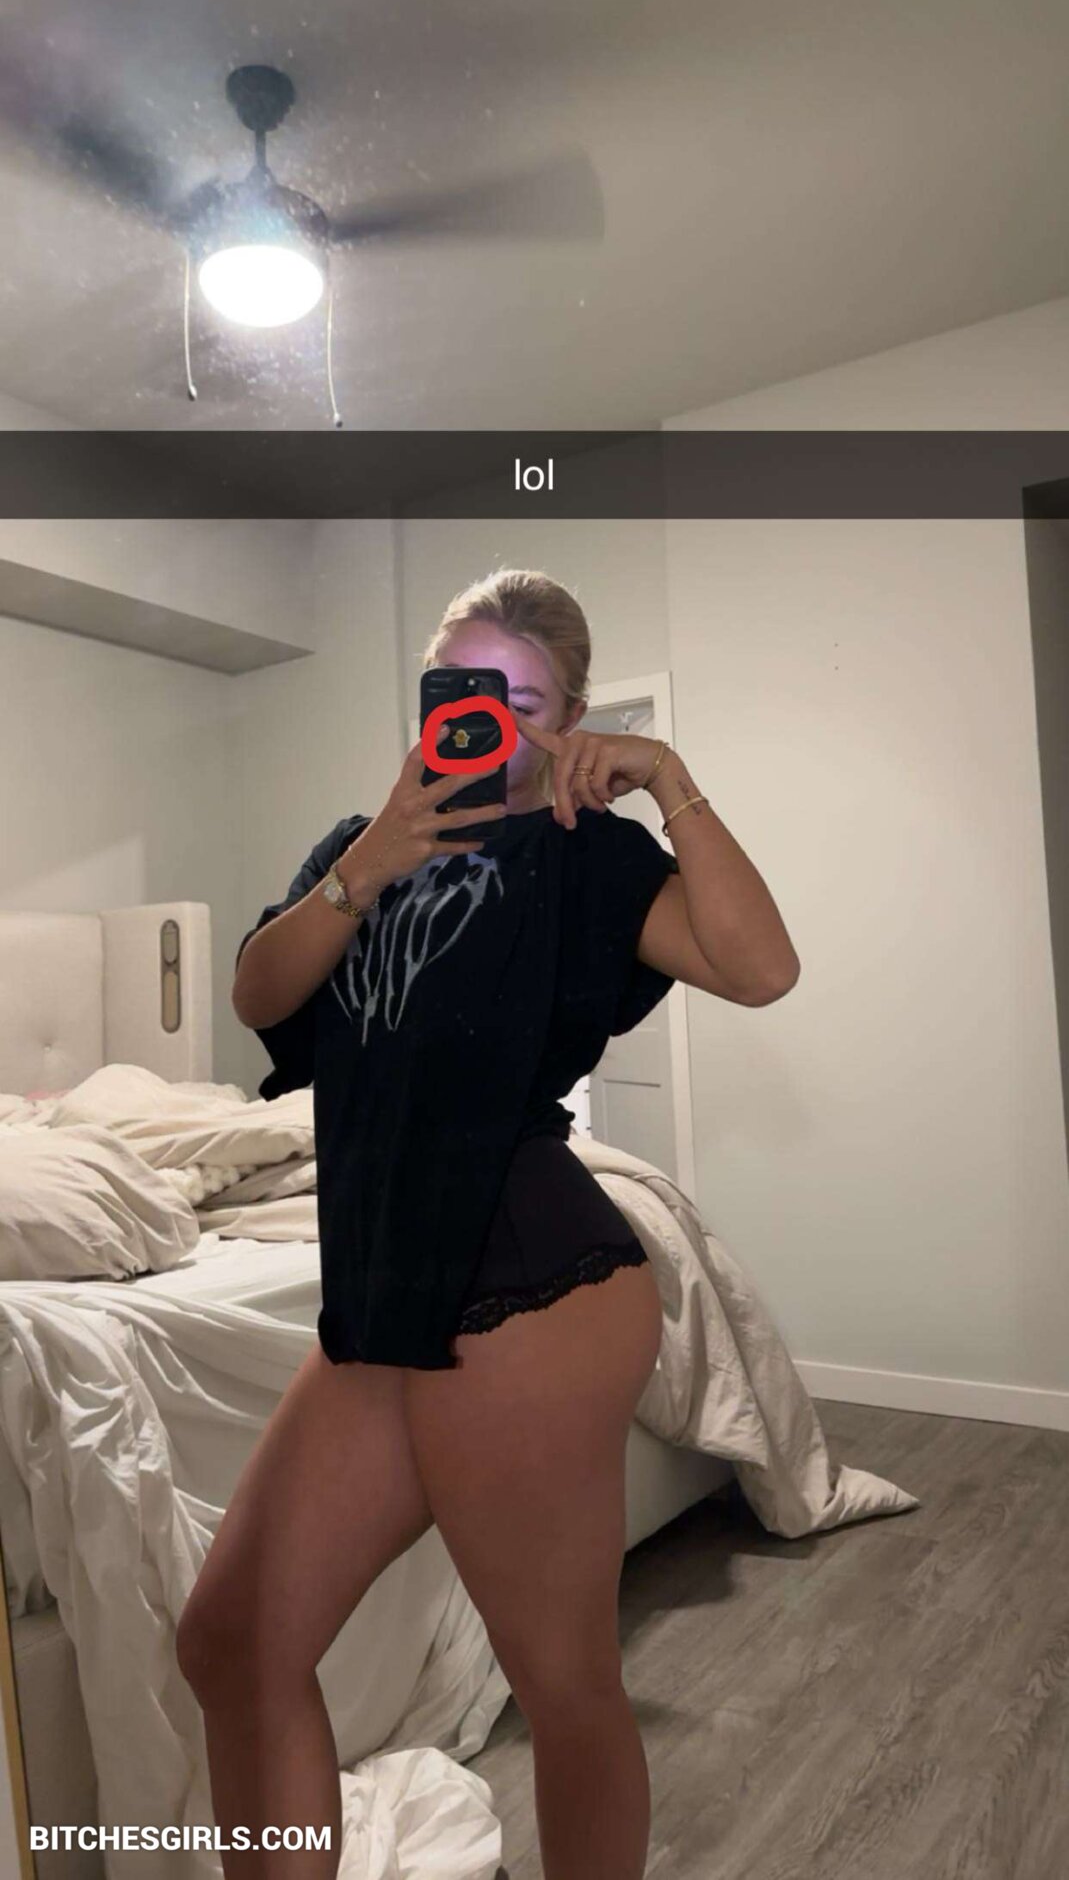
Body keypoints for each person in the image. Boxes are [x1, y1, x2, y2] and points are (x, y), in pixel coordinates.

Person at [176, 567, 800, 1880]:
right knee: (231, 1642)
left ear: (568, 722)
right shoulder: (359, 845)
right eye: (463, 688)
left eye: (526, 700)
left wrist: (669, 777)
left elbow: (759, 968)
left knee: (562, 1684)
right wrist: (365, 864)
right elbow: (257, 997)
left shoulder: (585, 855)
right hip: (382, 1297)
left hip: (528, 1284)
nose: (488, 718)